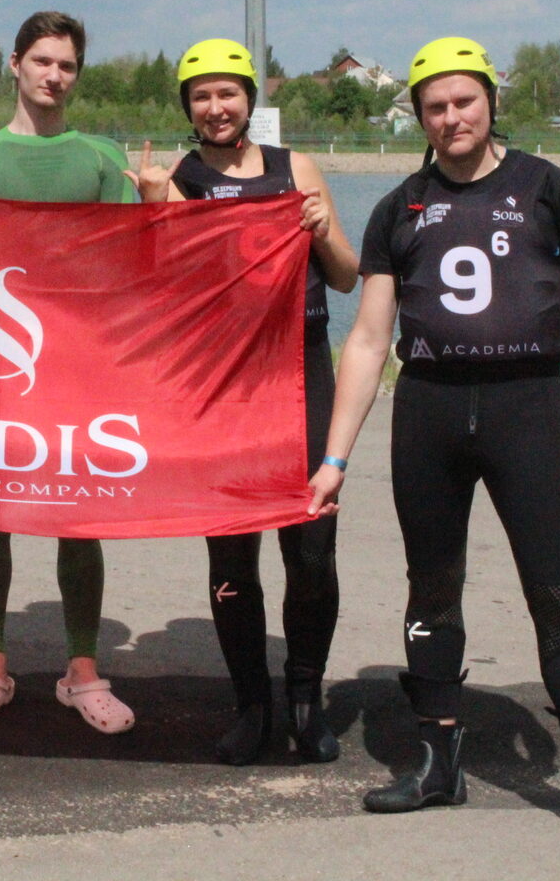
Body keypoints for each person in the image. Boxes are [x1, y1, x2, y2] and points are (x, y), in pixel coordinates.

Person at [306, 38, 560, 852]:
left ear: (491, 102)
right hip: (428, 410)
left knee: (556, 591)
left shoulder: (549, 189)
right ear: (419, 116)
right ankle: (437, 761)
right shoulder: (400, 206)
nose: (451, 117)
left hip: (525, 409)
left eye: (464, 101)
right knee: (431, 589)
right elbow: (368, 340)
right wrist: (335, 459)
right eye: (435, 106)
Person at [127, 38, 359, 764]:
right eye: (201, 96)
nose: (216, 107)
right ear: (187, 107)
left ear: (250, 100)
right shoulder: (179, 178)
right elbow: (162, 289)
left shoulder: (296, 169)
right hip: (225, 382)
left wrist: (320, 234)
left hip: (300, 370)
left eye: (228, 93)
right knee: (232, 553)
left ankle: (305, 698)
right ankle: (252, 705)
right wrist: (153, 211)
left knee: (311, 548)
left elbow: (346, 276)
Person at [0, 11, 135, 733]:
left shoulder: (103, 157)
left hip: (80, 363)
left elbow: (129, 262)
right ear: (15, 64)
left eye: (68, 65)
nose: (55, 75)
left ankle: (82, 670)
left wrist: (154, 203)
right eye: (43, 61)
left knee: (77, 512)